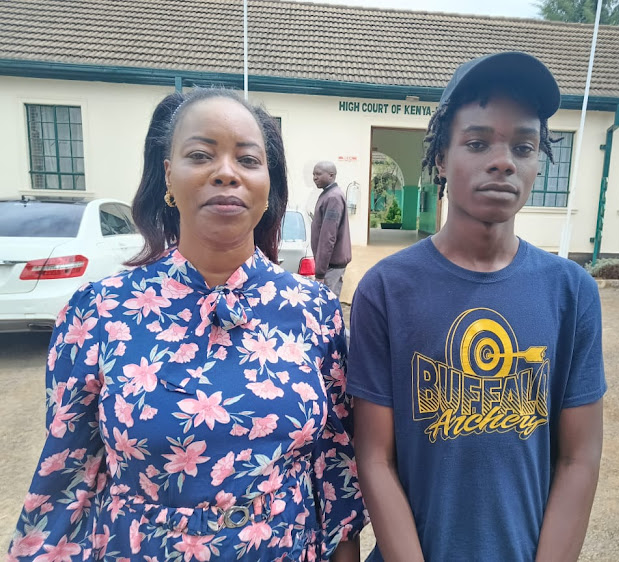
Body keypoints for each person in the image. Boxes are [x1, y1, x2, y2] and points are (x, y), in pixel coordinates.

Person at [7, 89, 366, 561]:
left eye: (248, 159)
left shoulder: (314, 312)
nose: (225, 172)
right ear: (168, 177)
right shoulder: (98, 312)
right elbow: (67, 476)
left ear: (267, 188)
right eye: (200, 155)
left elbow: (334, 470)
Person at [347, 52, 606, 561]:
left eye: (524, 146)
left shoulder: (571, 292)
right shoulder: (385, 290)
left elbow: (579, 457)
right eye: (477, 142)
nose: (503, 160)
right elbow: (374, 457)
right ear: (441, 159)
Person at [311, 162, 351, 298]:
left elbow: (328, 236)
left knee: (326, 305)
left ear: (331, 175)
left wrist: (320, 272)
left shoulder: (333, 197)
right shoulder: (328, 195)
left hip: (331, 266)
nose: (314, 177)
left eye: (318, 174)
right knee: (328, 303)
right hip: (330, 264)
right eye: (313, 174)